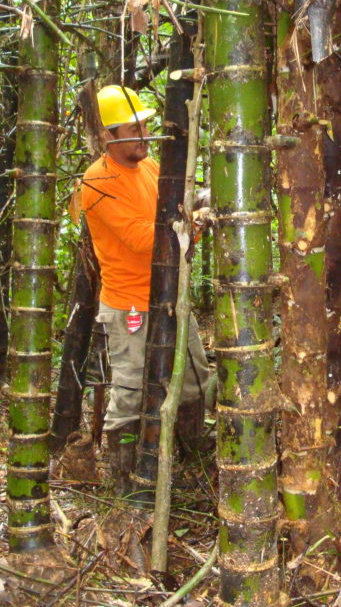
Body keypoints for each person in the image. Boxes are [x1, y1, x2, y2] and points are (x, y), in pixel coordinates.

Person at [70, 85, 213, 490]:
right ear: (107, 136)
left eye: (145, 126)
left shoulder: (151, 167)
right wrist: (193, 223)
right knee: (131, 392)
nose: (144, 135)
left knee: (195, 379)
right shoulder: (96, 181)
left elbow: (178, 204)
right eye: (133, 129)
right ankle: (123, 480)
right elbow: (139, 239)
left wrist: (199, 200)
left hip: (172, 296)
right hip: (130, 304)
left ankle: (191, 464)